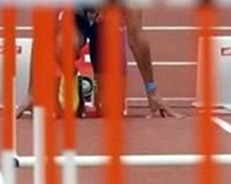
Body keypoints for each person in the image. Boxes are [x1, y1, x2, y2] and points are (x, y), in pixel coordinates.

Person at [16, 7, 181, 119]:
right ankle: (73, 83)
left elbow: (137, 38)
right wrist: (32, 91)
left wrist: (152, 92)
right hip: (75, 23)